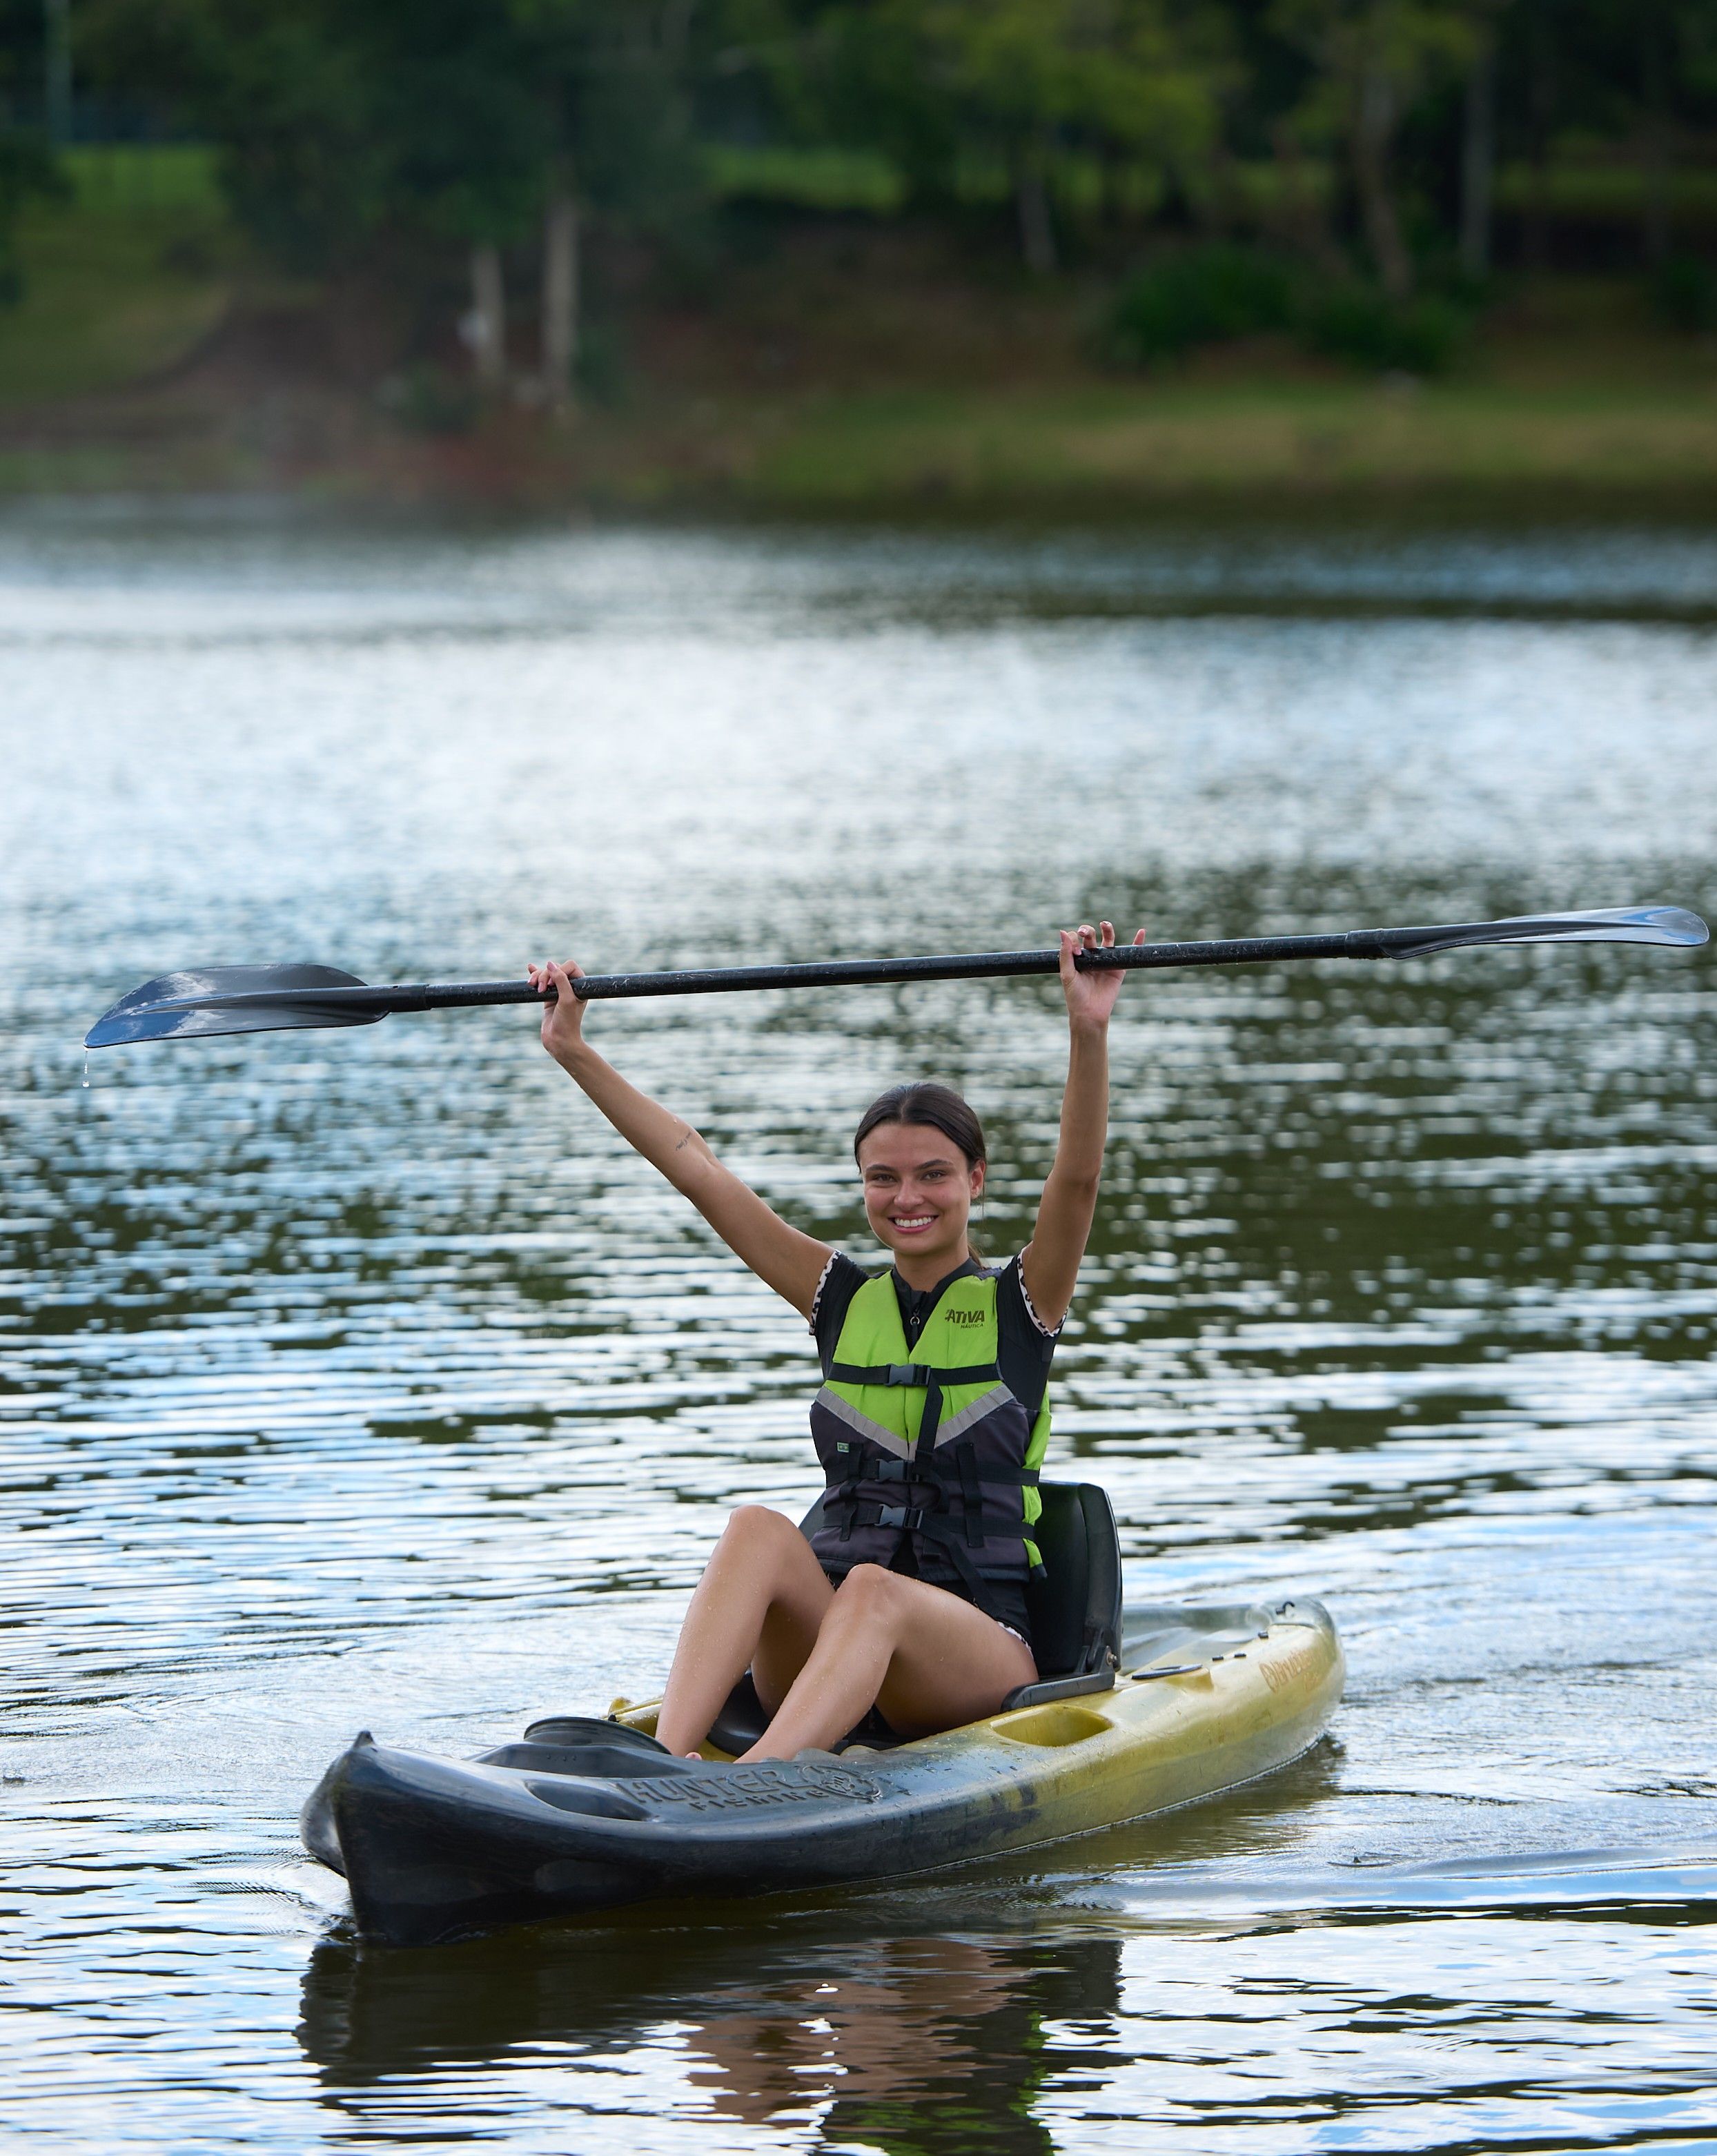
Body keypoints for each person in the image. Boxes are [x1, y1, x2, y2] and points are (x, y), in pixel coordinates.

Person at [527, 919, 1144, 1762]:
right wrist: (573, 1050)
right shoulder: (838, 1297)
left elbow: (1076, 1178)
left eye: (932, 1174)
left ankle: (748, 1789)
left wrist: (1088, 1028)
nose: (907, 1198)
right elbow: (694, 1167)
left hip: (971, 1655)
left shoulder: (1022, 1302)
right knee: (756, 1528)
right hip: (833, 1642)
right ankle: (666, 1768)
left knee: (872, 1592)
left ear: (975, 1181)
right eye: (881, 1177)